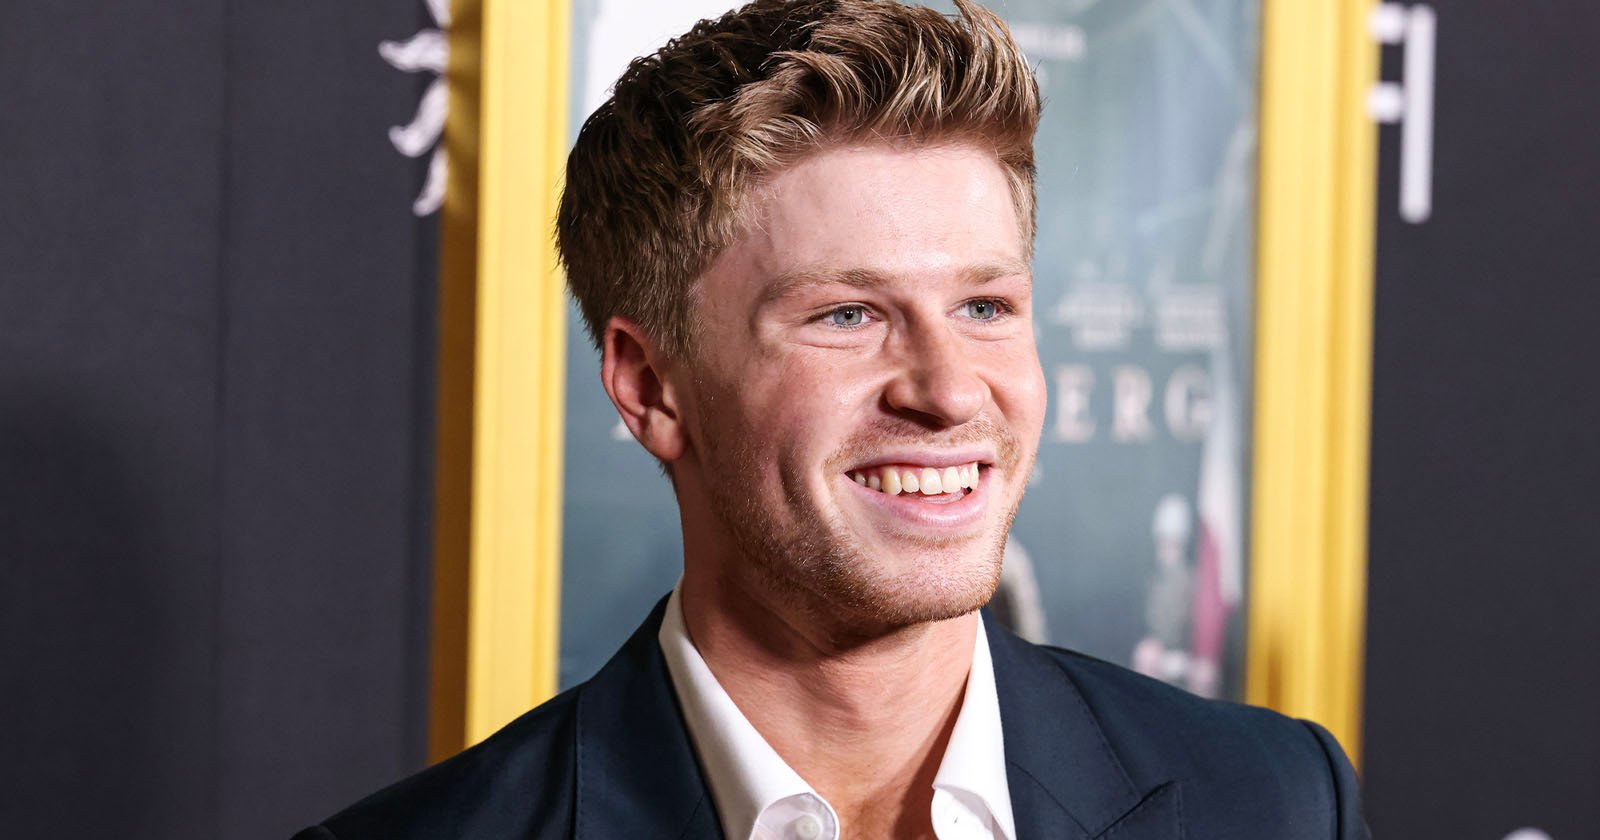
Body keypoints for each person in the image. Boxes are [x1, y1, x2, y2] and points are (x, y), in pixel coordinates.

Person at [295, 1, 1368, 837]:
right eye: (848, 315)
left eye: (984, 307)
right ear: (650, 388)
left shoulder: (1273, 803)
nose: (948, 390)